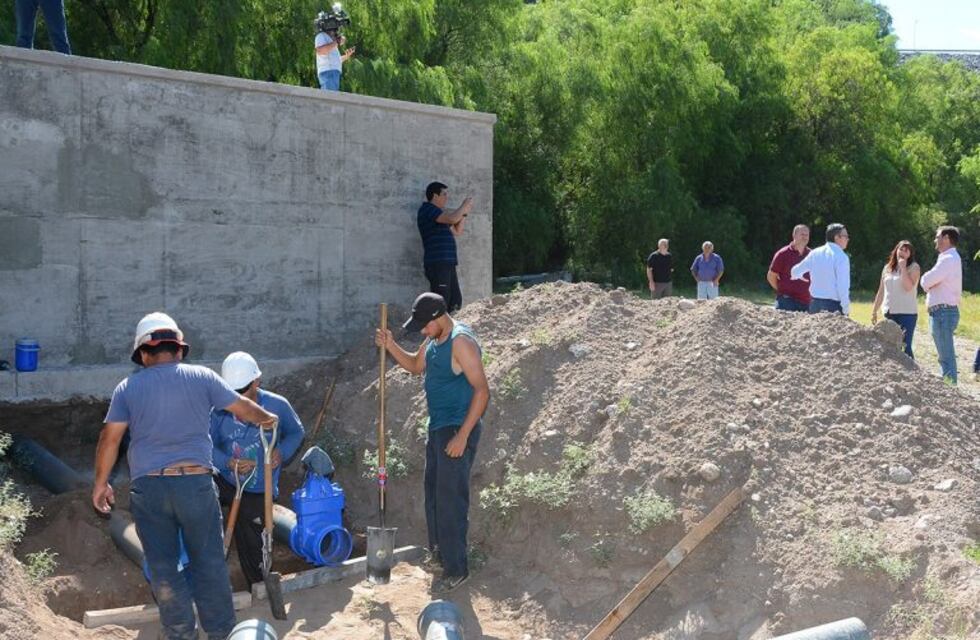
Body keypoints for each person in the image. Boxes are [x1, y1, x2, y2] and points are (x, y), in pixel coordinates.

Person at [92, 313, 279, 640]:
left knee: (164, 568)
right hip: (195, 484)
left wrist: (100, 483)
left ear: (143, 355)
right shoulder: (201, 377)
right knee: (209, 562)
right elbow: (243, 407)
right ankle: (221, 632)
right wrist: (268, 418)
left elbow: (110, 439)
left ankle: (180, 633)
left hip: (149, 489)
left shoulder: (127, 388)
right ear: (179, 350)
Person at [375, 293, 489, 594]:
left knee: (451, 502)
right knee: (434, 497)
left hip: (457, 428)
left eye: (425, 325)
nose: (423, 331)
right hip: (438, 428)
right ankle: (439, 554)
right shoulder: (435, 340)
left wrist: (462, 436)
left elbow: (482, 391)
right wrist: (390, 345)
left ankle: (457, 569)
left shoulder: (461, 342)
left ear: (439, 317)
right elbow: (415, 366)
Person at [210, 351, 305, 586]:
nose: (237, 398)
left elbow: (296, 432)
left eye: (242, 390)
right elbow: (205, 443)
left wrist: (281, 452)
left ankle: (258, 586)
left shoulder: (277, 405)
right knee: (199, 498)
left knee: (251, 537)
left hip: (258, 486)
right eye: (232, 391)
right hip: (226, 479)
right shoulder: (218, 410)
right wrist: (227, 462)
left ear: (256, 381)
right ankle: (206, 564)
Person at [417, 182, 473, 313]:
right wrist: (463, 206)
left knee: (455, 301)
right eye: (444, 194)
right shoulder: (428, 209)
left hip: (447, 263)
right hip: (438, 263)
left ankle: (450, 326)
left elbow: (457, 231)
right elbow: (452, 219)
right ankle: (436, 326)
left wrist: (464, 213)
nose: (446, 197)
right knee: (441, 301)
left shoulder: (440, 215)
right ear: (435, 195)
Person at [920, 226, 963, 384]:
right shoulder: (949, 258)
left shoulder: (948, 258)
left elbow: (927, 280)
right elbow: (932, 281)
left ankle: (950, 388)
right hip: (943, 312)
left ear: (946, 238)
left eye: (937, 237)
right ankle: (949, 386)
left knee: (945, 356)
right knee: (944, 355)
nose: (935, 240)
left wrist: (927, 282)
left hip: (943, 312)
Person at [871, 241, 921, 359]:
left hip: (907, 313)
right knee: (889, 346)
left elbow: (908, 287)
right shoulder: (887, 268)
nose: (902, 252)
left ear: (910, 254)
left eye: (906, 250)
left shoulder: (914, 267)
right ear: (896, 251)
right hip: (889, 312)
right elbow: (881, 291)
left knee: (904, 347)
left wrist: (903, 268)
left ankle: (911, 369)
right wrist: (874, 311)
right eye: (900, 249)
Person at [791, 223, 850, 315]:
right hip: (833, 306)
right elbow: (842, 286)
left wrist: (799, 275)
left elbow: (795, 271)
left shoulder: (815, 253)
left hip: (814, 305)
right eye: (845, 236)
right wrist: (846, 308)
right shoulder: (841, 257)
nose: (847, 239)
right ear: (836, 237)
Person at [767, 225, 811, 312]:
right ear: (794, 235)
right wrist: (781, 290)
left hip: (806, 302)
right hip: (786, 300)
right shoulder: (783, 254)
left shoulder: (812, 255)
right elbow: (771, 275)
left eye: (807, 235)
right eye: (802, 234)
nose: (805, 237)